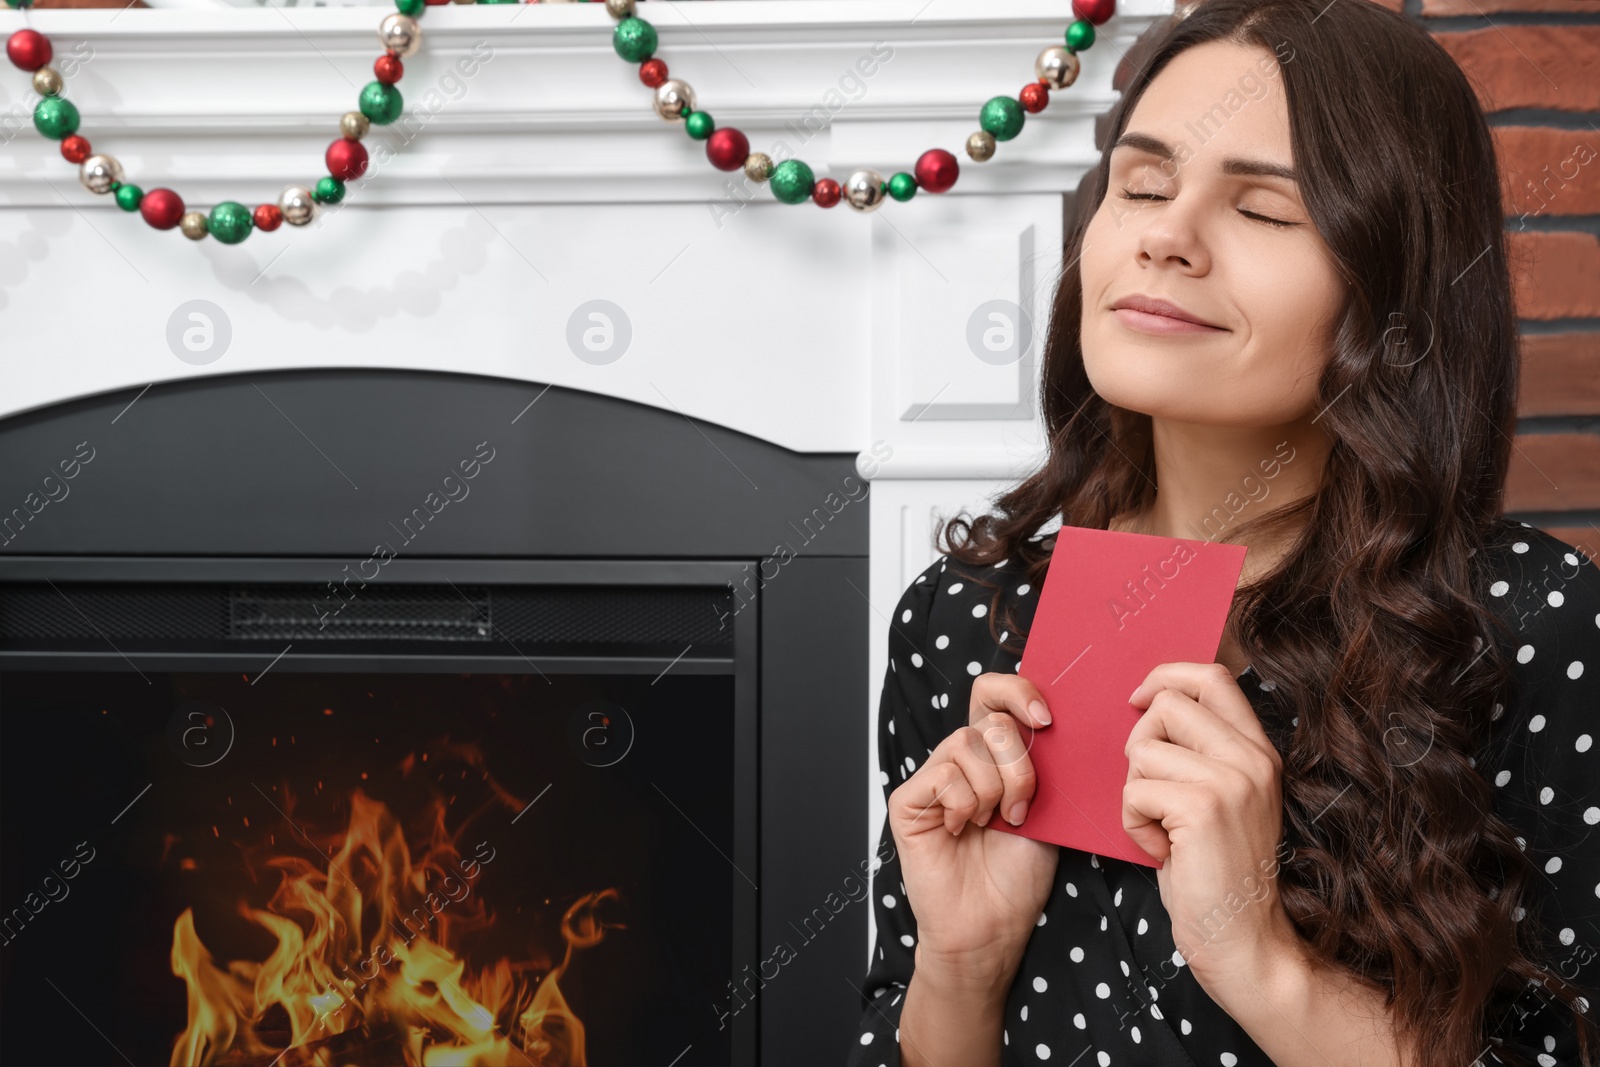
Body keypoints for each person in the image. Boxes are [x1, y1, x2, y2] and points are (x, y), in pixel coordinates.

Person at [846, 0, 1600, 1064]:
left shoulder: (1526, 620)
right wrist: (961, 966)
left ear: (1387, 295)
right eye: (1142, 185)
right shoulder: (962, 616)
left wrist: (1255, 954)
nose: (1164, 234)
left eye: (1264, 211)